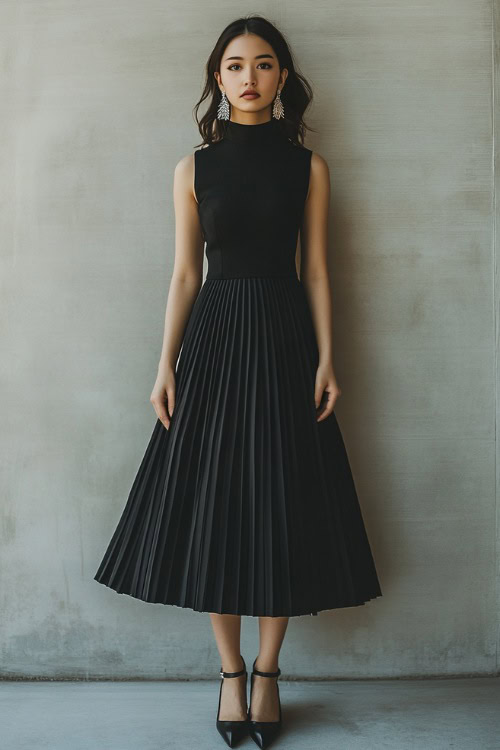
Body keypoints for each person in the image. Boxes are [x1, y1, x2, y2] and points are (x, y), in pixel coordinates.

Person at [94, 14, 382, 749]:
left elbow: (316, 269)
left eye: (262, 64)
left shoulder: (308, 167)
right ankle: (229, 675)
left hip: (285, 338)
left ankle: (271, 668)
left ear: (283, 77)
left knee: (282, 496)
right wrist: (165, 363)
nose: (247, 77)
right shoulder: (193, 168)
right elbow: (186, 272)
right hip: (215, 341)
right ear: (216, 80)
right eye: (233, 66)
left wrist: (327, 357)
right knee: (214, 502)